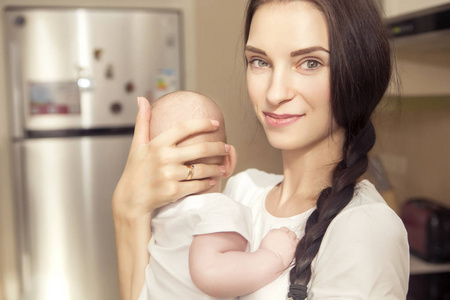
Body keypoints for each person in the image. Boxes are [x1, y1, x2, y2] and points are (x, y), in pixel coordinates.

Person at [112, 0, 410, 299]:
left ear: (360, 73)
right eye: (260, 61)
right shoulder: (243, 190)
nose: (275, 93)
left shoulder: (364, 228)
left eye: (310, 63)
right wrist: (127, 210)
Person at [137, 90, 299, 300]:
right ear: (227, 161)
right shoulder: (216, 208)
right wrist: (272, 256)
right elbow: (210, 272)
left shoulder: (159, 214)